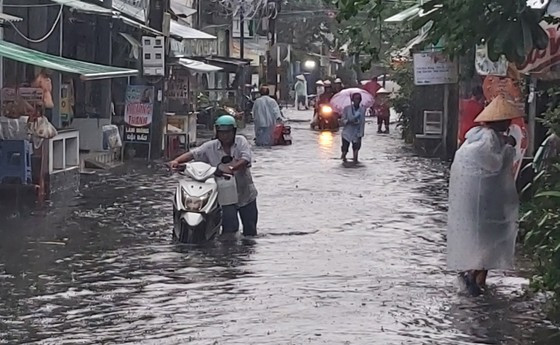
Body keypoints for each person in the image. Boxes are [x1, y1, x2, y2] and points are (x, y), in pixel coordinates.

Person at [447, 95, 521, 296]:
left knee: (487, 238)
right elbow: (492, 164)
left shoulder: (478, 135)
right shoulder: (488, 139)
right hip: (483, 199)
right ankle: (472, 275)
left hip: (479, 198)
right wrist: (508, 148)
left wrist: (505, 144)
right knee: (488, 238)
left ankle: (479, 281)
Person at [169, 115, 258, 236]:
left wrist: (233, 168)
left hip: (245, 194)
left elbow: (246, 158)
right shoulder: (210, 146)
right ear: (217, 132)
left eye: (228, 132)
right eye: (221, 132)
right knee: (229, 231)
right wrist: (176, 161)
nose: (225, 136)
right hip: (225, 194)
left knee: (250, 231)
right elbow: (193, 154)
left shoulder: (241, 141)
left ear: (234, 132)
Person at [340, 93, 366, 163]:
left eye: (359, 99)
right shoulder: (347, 109)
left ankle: (355, 162)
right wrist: (348, 121)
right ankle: (343, 161)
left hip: (357, 132)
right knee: (344, 151)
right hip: (347, 132)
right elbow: (342, 120)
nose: (357, 100)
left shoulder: (362, 109)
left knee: (356, 149)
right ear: (352, 100)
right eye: (356, 99)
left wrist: (361, 133)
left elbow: (363, 122)